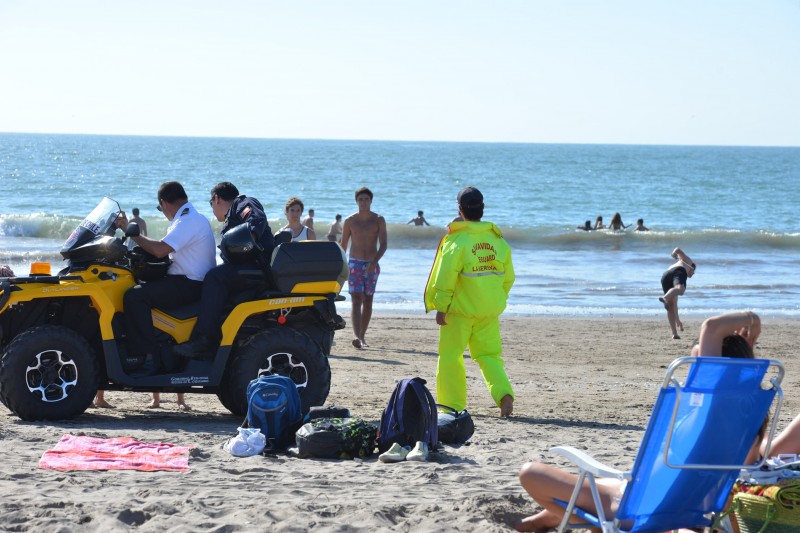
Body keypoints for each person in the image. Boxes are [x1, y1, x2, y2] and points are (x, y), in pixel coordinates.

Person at [516, 310, 763, 532]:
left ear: (713, 374)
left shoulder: (706, 410)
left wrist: (753, 319)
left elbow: (711, 326)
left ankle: (601, 528)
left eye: (696, 367)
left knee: (531, 473)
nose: (692, 376)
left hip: (640, 511)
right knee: (604, 483)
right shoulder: (753, 422)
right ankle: (542, 521)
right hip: (689, 511)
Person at [424, 186, 515, 418]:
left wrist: (441, 308)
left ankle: (451, 405)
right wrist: (496, 300)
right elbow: (508, 278)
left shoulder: (456, 242)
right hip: (488, 311)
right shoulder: (498, 241)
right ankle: (503, 394)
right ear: (482, 208)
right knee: (489, 355)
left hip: (459, 312)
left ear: (459, 209)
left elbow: (446, 280)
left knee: (450, 356)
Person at [115, 181, 216, 372]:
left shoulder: (188, 220)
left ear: (164, 203)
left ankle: (145, 358)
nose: (162, 211)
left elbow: (160, 249)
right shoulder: (188, 218)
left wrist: (133, 234)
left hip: (189, 284)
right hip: (186, 280)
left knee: (134, 297)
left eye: (159, 207)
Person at [172, 182, 274, 360]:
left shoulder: (242, 203)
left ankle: (205, 341)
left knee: (214, 278)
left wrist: (247, 240)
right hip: (248, 267)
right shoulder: (233, 213)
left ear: (217, 199)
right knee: (213, 277)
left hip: (256, 267)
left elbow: (256, 220)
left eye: (211, 204)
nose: (212, 209)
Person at [341, 187, 388, 349]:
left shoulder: (378, 220)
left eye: (366, 199)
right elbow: (343, 246)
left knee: (368, 299)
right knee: (355, 299)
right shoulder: (350, 221)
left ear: (370, 201)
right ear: (356, 201)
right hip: (354, 263)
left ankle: (362, 335)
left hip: (372, 263)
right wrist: (342, 266)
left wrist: (374, 263)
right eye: (360, 199)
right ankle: (357, 337)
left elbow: (384, 244)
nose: (363, 202)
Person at [659, 247, 696, 339]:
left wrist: (678, 320)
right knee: (681, 289)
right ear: (693, 268)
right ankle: (665, 297)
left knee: (671, 306)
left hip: (665, 275)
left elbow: (675, 305)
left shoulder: (677, 266)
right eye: (693, 273)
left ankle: (674, 334)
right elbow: (678, 249)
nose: (692, 275)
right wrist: (674, 252)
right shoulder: (688, 262)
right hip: (677, 271)